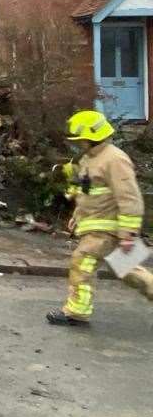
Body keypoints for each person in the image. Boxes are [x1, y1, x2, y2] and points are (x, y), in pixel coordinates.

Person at [47, 110, 153, 326]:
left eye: (80, 139)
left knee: (81, 263)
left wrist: (127, 235)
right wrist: (77, 216)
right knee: (128, 271)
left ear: (91, 137)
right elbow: (87, 193)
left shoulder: (115, 159)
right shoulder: (89, 159)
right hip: (97, 226)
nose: (78, 144)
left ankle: (76, 311)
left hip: (107, 229)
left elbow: (130, 199)